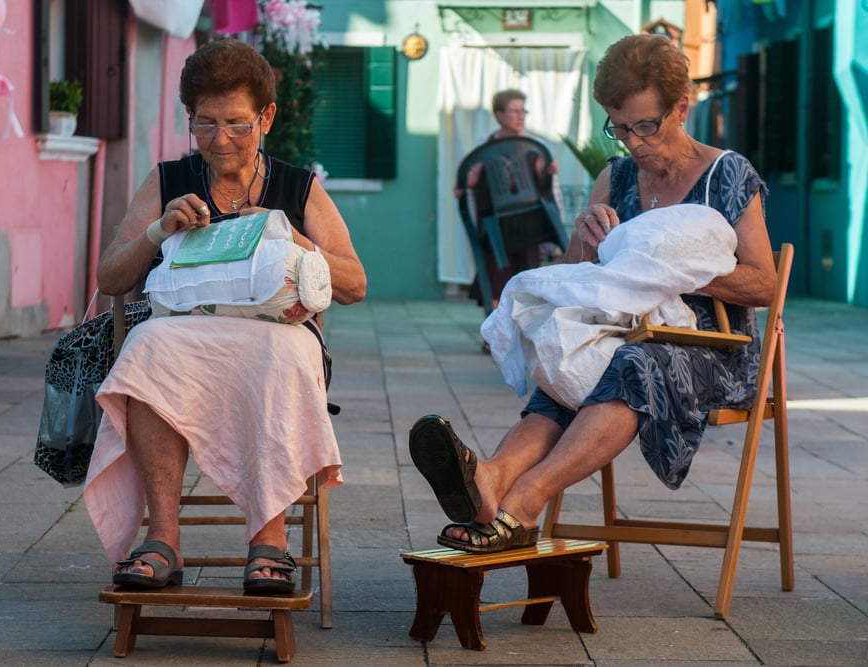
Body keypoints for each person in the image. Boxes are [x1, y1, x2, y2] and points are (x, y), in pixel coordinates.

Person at [410, 34, 776, 553]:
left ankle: (526, 501)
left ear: (681, 108)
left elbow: (764, 283)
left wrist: (669, 271)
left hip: (716, 350)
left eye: (645, 125)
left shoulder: (725, 174)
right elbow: (572, 282)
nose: (634, 142)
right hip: (622, 333)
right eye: (620, 127)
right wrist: (586, 238)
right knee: (574, 361)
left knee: (630, 363)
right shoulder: (617, 176)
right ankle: (490, 480)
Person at [84, 39, 366, 593]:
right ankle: (163, 539)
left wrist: (294, 236)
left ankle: (269, 541)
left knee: (280, 353)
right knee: (145, 348)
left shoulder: (297, 187)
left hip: (277, 339)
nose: (220, 140)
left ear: (267, 117)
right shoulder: (169, 180)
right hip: (184, 338)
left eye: (237, 124)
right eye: (205, 124)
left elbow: (354, 283)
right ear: (189, 119)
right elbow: (110, 277)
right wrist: (159, 229)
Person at [460, 89, 565, 315]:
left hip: (527, 223)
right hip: (495, 223)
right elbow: (469, 183)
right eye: (514, 111)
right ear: (499, 115)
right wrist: (469, 181)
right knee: (496, 267)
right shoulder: (485, 146)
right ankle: (494, 327)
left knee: (525, 268)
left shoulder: (533, 146)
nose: (520, 116)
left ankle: (520, 327)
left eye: (523, 111)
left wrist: (547, 172)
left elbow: (546, 187)